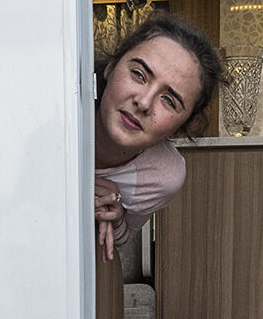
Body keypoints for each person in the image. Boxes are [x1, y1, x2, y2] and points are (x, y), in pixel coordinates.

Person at [93, 14, 223, 261]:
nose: (143, 103)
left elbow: (121, 238)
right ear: (111, 65)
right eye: (138, 75)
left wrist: (115, 217)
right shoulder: (58, 113)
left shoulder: (162, 175)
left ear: (184, 125)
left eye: (169, 101)